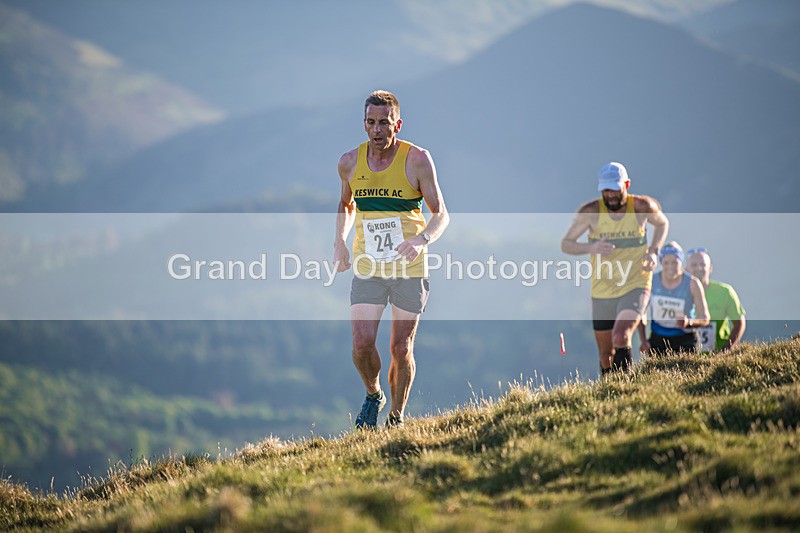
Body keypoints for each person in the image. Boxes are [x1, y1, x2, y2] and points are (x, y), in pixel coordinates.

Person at [334, 90, 449, 429]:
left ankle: (396, 416)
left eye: (384, 123)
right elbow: (346, 204)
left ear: (397, 123)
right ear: (364, 124)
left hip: (409, 266)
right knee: (361, 342)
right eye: (371, 123)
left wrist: (421, 238)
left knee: (401, 347)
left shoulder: (417, 160)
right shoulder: (349, 162)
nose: (377, 130)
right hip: (369, 265)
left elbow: (441, 213)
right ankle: (374, 395)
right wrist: (340, 242)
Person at [561, 162, 669, 375]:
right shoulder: (591, 212)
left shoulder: (641, 207)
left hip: (636, 282)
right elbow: (566, 244)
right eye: (605, 190)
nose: (610, 195)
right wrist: (591, 247)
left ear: (626, 185)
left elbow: (662, 223)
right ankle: (609, 392)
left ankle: (626, 388)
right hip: (603, 289)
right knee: (606, 355)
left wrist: (654, 250)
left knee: (621, 335)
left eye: (614, 189)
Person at [638, 242, 710, 355]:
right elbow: (641, 312)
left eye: (675, 262)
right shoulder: (651, 281)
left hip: (685, 340)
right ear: (661, 263)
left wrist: (688, 322)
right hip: (658, 339)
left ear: (681, 262)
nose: (670, 267)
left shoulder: (693, 283)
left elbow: (705, 318)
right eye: (666, 263)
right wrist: (643, 340)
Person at [686, 248, 746, 352]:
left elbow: (739, 324)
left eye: (703, 264)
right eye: (694, 265)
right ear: (686, 270)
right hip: (686, 357)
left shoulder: (725, 291)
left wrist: (725, 351)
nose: (698, 268)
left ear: (710, 268)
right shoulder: (679, 293)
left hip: (718, 355)